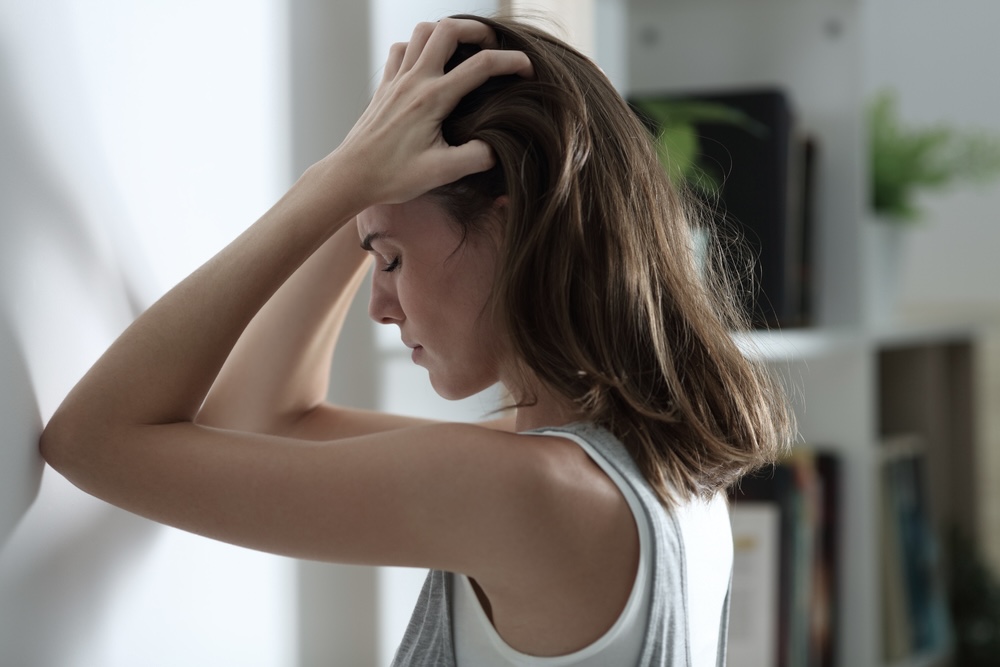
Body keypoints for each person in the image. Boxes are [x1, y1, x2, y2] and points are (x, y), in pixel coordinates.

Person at [40, 14, 793, 667]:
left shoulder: (528, 492)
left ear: (506, 222)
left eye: (392, 259)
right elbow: (262, 421)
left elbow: (90, 439)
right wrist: (366, 180)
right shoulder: (658, 469)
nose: (379, 305)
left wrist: (336, 181)